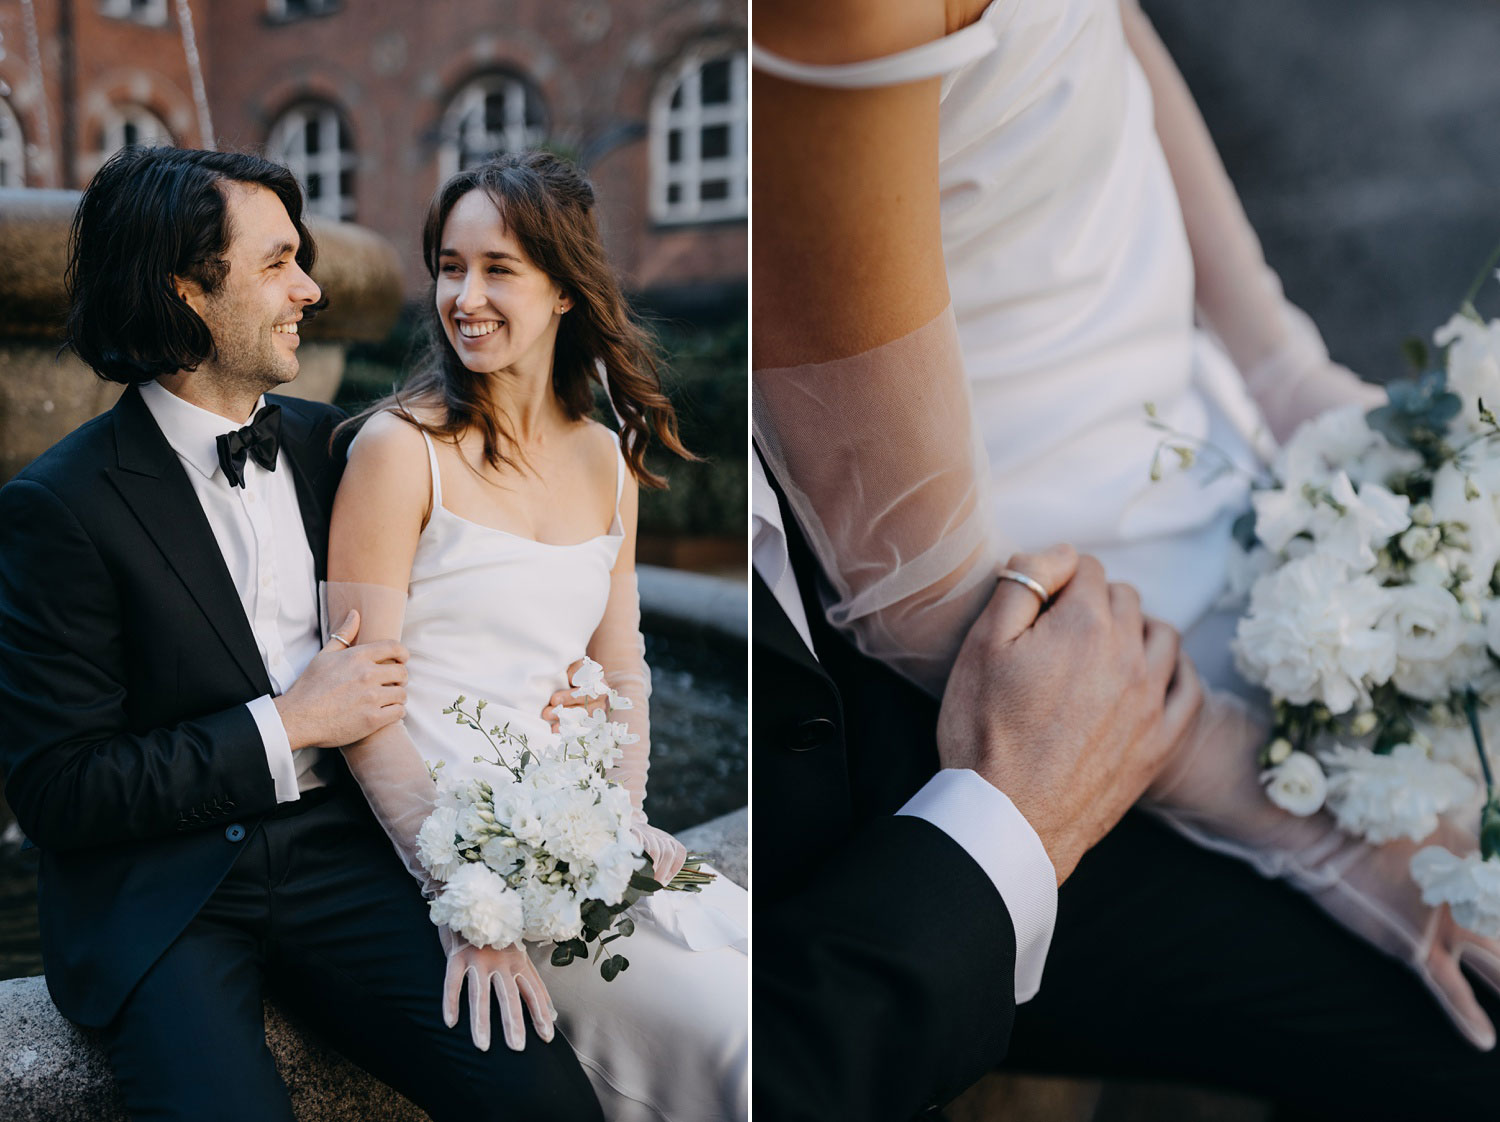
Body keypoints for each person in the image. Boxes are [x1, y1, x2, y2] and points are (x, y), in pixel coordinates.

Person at [753, 0, 1500, 1116]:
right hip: (1056, 672)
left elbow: (1099, 39)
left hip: (1228, 461)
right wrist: (1316, 827)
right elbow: (917, 603)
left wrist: (1286, 367)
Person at [0, 146, 603, 1122]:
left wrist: (553, 680)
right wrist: (286, 725)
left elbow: (459, 591)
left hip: (346, 858)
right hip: (165, 895)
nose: (310, 290)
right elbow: (57, 787)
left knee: (544, 1100)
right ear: (187, 290)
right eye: (278, 263)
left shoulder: (342, 445)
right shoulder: (58, 506)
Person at [323, 151, 747, 1122]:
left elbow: (622, 668)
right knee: (729, 1033)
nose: (464, 296)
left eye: (498, 268)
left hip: (576, 846)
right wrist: (471, 899)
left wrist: (622, 825)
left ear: (564, 285)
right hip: (449, 856)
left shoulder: (609, 459)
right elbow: (359, 709)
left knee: (764, 984)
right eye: (449, 266)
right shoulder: (398, 453)